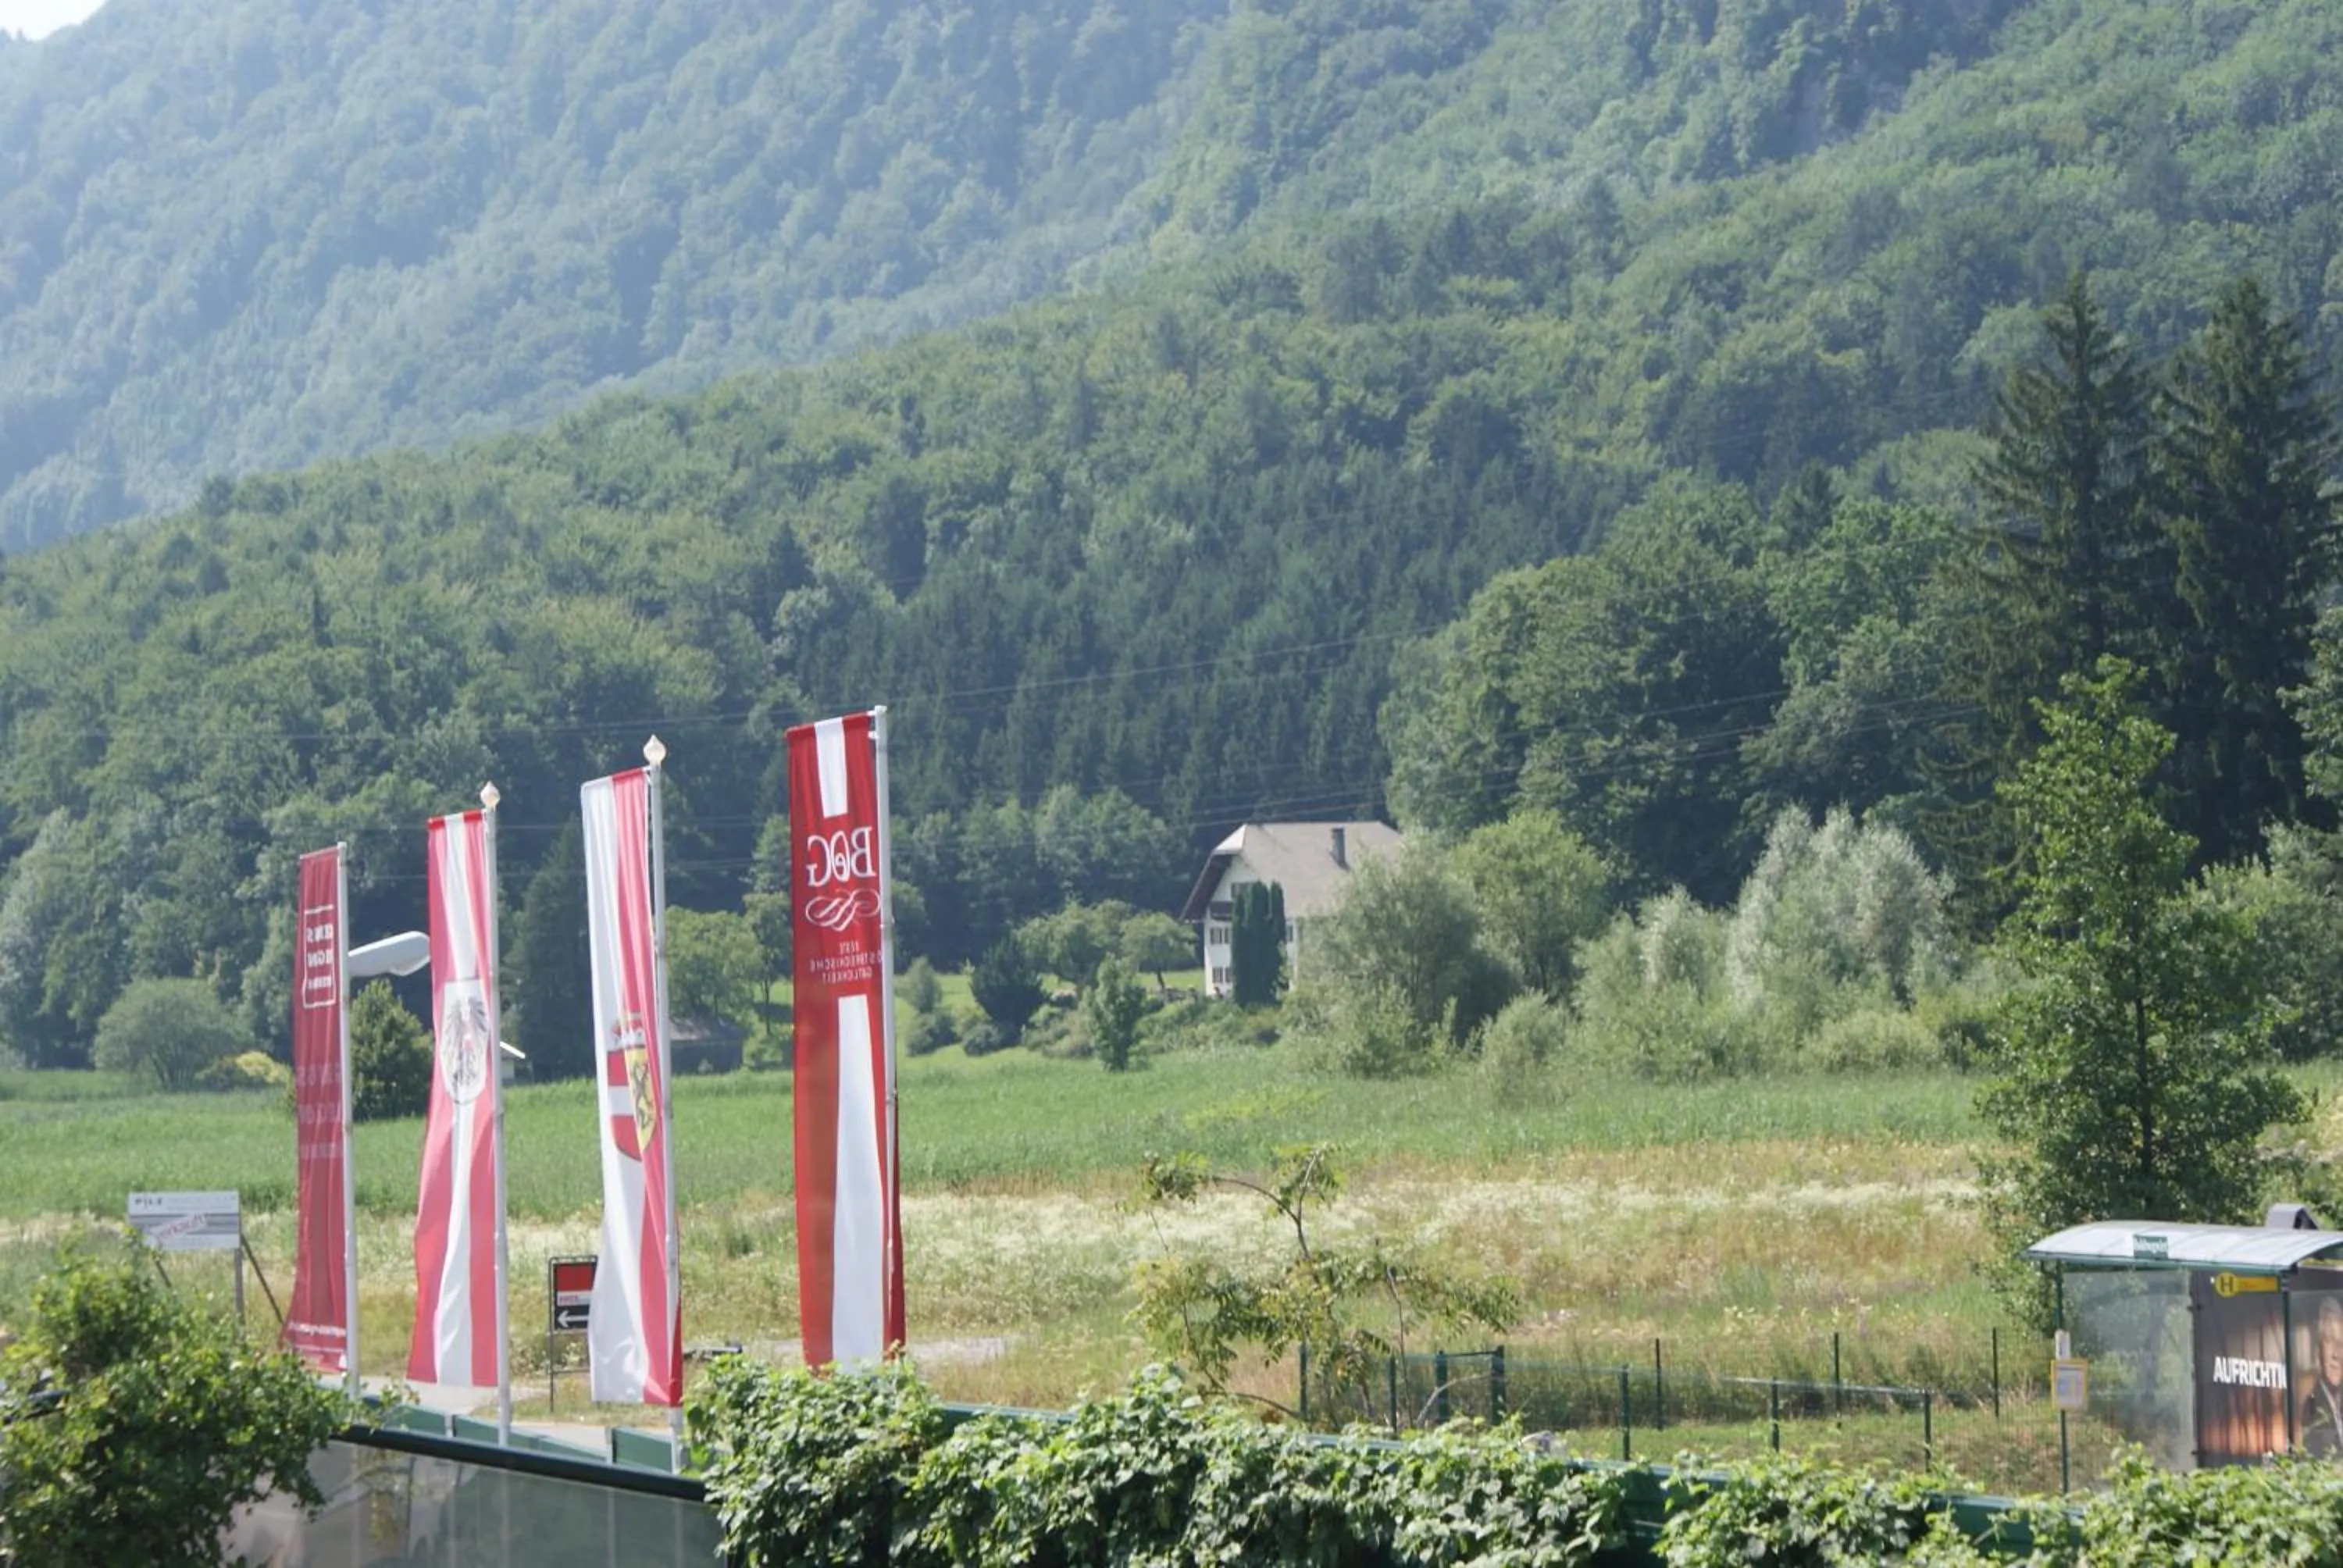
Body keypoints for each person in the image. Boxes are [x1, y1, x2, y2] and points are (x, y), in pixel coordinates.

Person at [2299, 1295, 2343, 1457]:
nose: (2336, 1355)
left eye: (2342, 1344)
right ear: (2318, 1346)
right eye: (2329, 1340)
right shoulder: (2311, 1406)